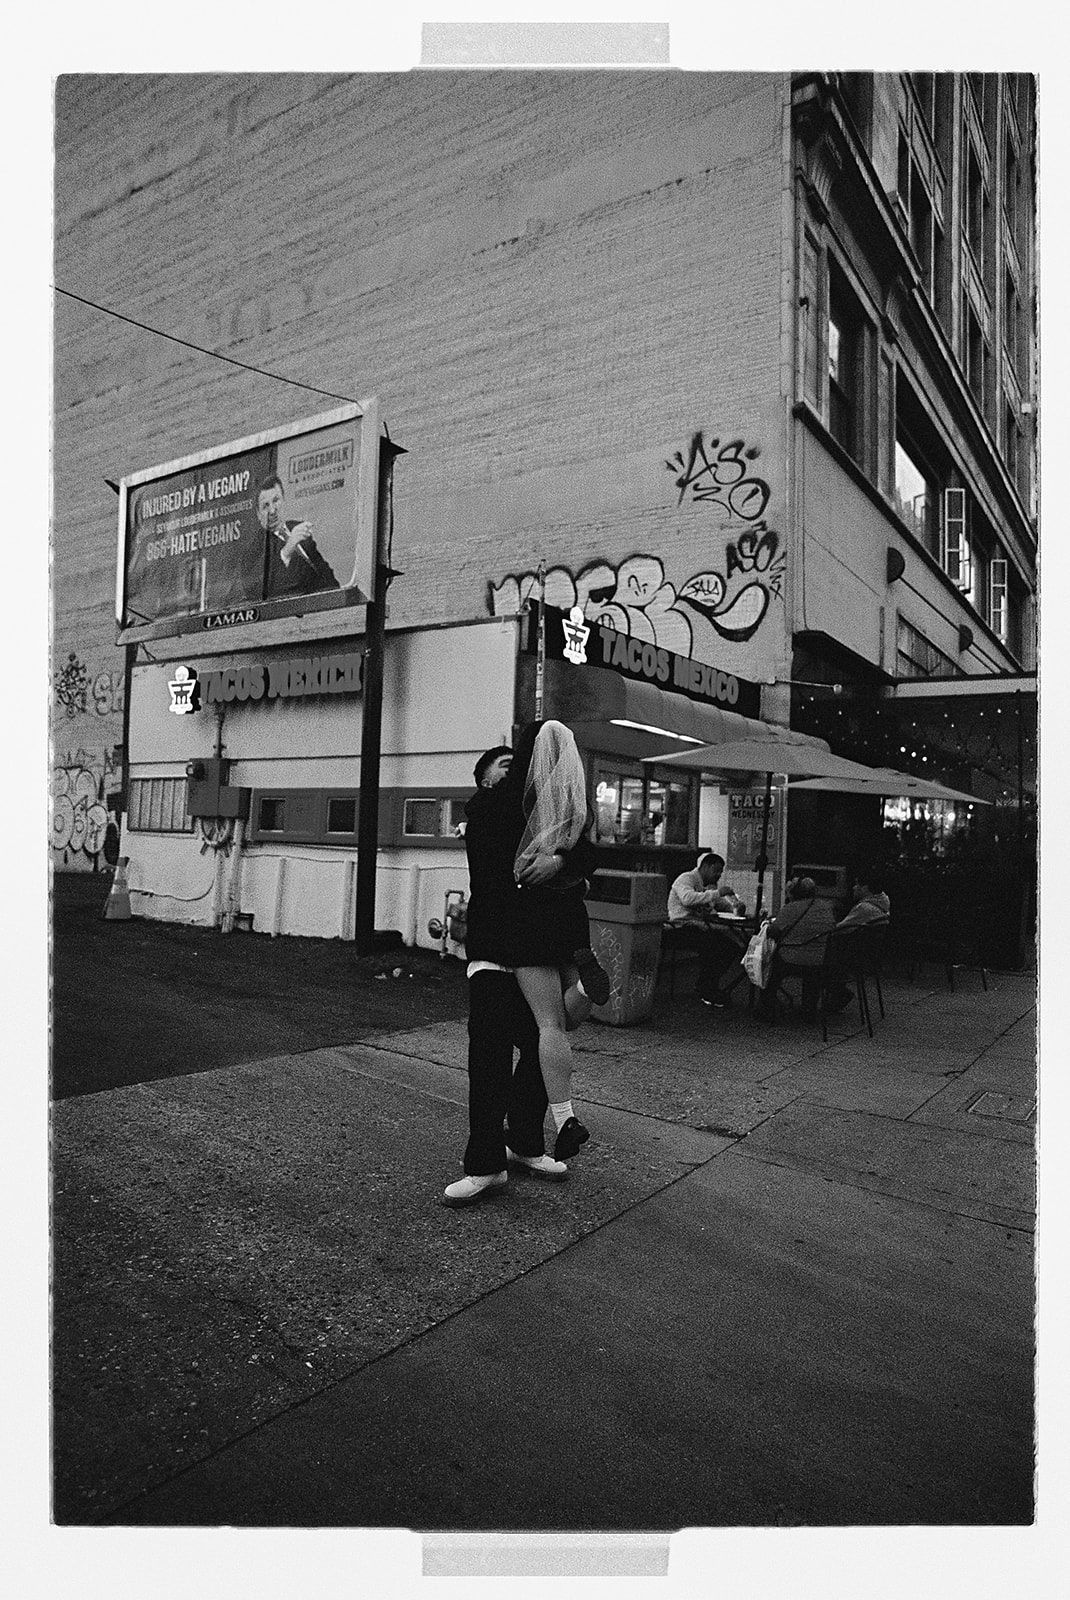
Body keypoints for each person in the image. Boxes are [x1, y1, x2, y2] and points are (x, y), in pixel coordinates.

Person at [442, 735, 604, 1206]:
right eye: (505, 766)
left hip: (538, 950)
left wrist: (562, 862)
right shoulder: (485, 813)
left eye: (520, 766)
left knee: (540, 1046)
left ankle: (525, 1142)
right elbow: (507, 824)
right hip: (494, 952)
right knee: (488, 1057)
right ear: (484, 777)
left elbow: (585, 847)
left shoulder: (544, 815)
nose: (516, 773)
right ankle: (486, 1164)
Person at [666, 852, 749, 1007]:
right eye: (716, 870)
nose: (718, 875)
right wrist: (717, 893)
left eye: (720, 872)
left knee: (729, 947)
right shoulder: (686, 879)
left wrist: (736, 908)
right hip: (679, 928)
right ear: (705, 866)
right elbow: (688, 899)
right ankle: (707, 988)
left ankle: (707, 985)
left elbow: (720, 905)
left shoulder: (710, 886)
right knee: (716, 946)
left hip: (699, 928)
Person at [257, 473, 340, 599]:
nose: (273, 510)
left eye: (275, 501)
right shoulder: (254, 551)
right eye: (266, 506)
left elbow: (323, 570)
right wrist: (287, 550)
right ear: (258, 514)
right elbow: (271, 590)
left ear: (283, 500)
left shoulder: (296, 527)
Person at [765, 874, 837, 1019]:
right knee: (811, 972)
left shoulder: (790, 908)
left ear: (793, 893)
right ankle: (809, 1009)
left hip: (792, 960)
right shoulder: (826, 907)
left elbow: (773, 931)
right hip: (821, 960)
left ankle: (766, 1007)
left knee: (769, 965)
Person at [823, 867, 892, 1014]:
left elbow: (840, 929)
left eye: (857, 884)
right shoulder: (883, 901)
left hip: (853, 957)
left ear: (865, 888)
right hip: (866, 955)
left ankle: (835, 993)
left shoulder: (864, 908)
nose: (854, 888)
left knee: (820, 957)